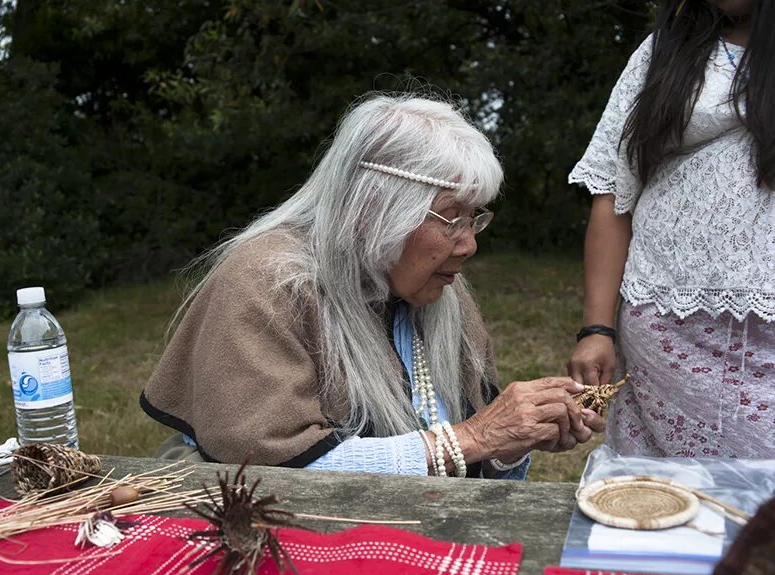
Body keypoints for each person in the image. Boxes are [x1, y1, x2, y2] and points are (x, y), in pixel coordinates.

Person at [141, 94, 604, 479]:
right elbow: (278, 471)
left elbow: (471, 457)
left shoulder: (441, 291)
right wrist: (477, 436)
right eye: (451, 218)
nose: (469, 245)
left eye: (475, 217)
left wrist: (513, 443)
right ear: (373, 213)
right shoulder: (267, 283)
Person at [567, 0, 773, 458]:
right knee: (667, 497)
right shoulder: (665, 51)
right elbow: (613, 193)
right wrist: (597, 330)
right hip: (666, 327)